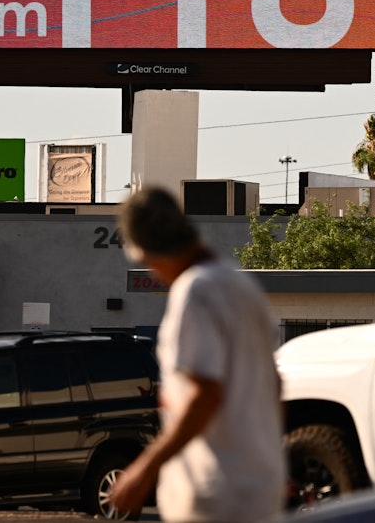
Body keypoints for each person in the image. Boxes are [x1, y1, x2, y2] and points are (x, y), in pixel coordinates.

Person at [111, 186, 285, 522]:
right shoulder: (240, 285)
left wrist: (143, 469)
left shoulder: (194, 291)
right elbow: (275, 384)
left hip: (214, 490)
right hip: (260, 485)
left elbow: (204, 395)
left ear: (149, 252)